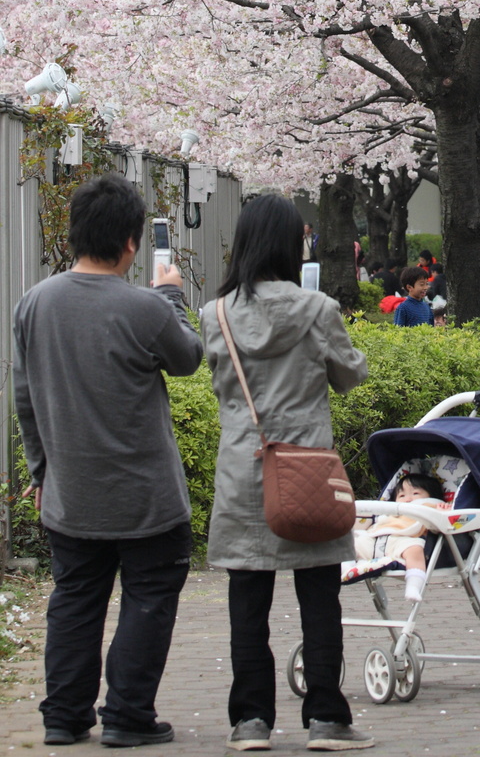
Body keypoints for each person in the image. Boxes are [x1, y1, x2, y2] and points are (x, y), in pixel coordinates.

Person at [13, 173, 203, 748]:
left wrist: (41, 472)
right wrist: (171, 295)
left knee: (74, 600)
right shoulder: (144, 308)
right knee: (148, 599)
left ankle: (63, 717)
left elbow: (24, 400)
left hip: (71, 492)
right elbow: (189, 358)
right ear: (131, 243)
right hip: (147, 496)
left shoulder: (34, 304)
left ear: (73, 235)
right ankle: (126, 715)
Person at [201, 195, 374, 752]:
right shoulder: (317, 310)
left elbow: (221, 385)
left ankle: (250, 722)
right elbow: (351, 376)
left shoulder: (216, 314)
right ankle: (326, 719)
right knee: (319, 596)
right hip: (307, 472)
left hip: (243, 473)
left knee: (247, 600)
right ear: (291, 245)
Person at [353, 474, 446, 601]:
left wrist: (442, 512)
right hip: (375, 538)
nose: (408, 499)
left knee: (415, 549)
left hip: (404, 540)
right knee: (350, 542)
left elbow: (438, 527)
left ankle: (414, 586)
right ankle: (346, 568)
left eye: (415, 493)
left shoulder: (430, 507)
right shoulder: (391, 510)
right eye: (402, 495)